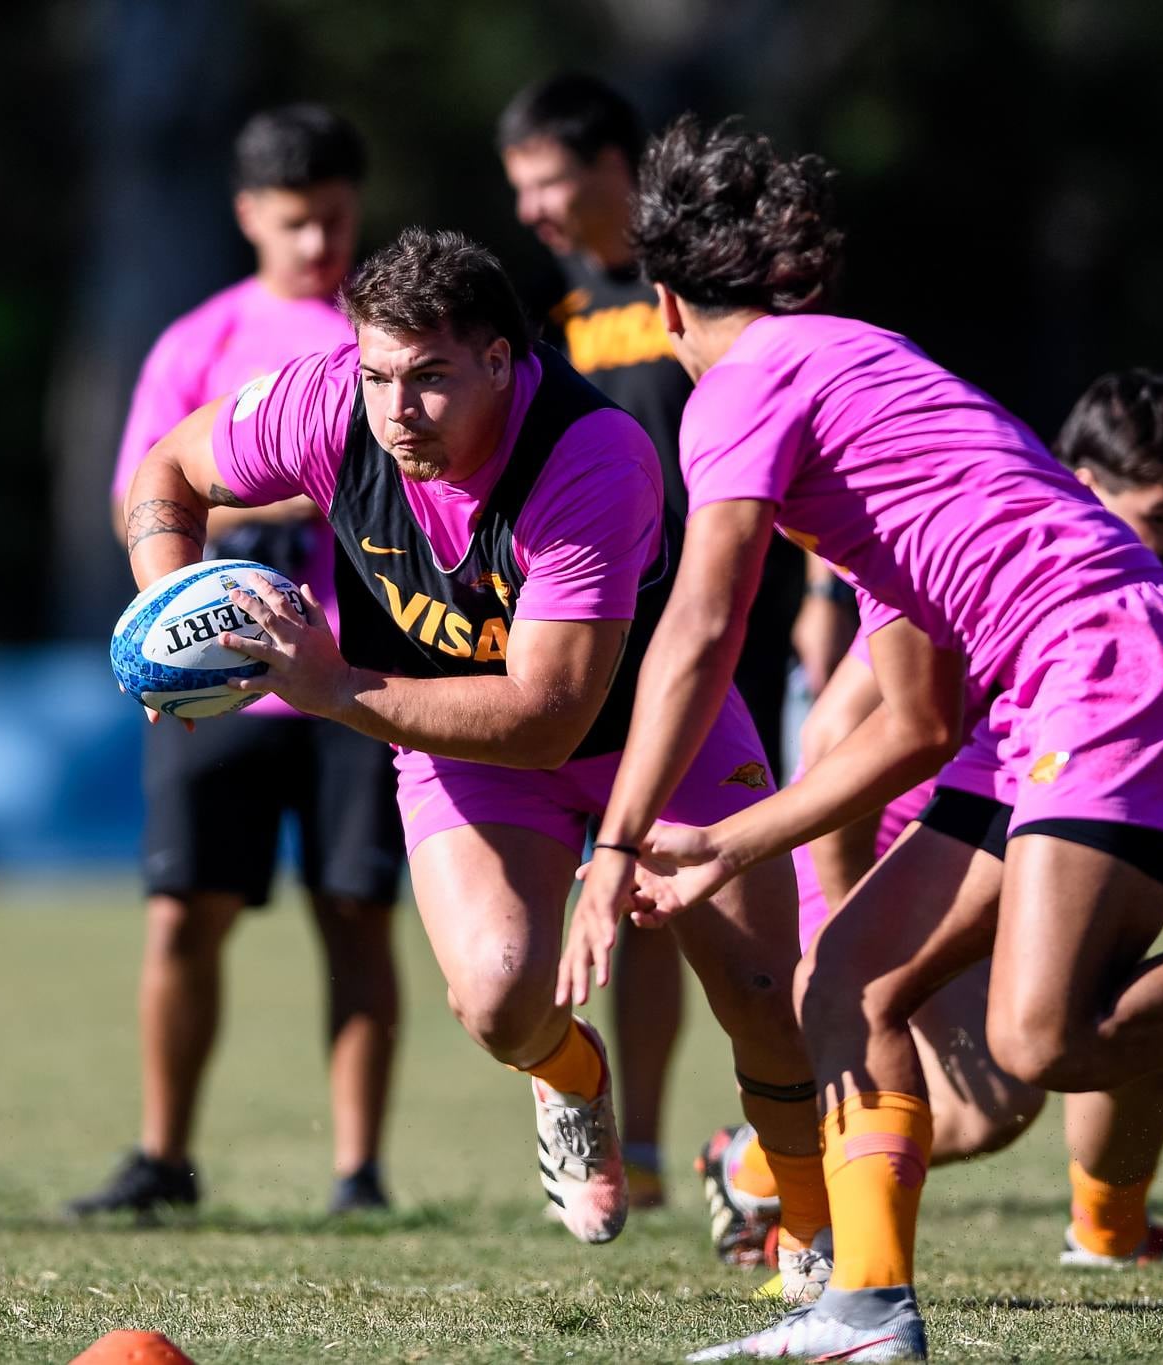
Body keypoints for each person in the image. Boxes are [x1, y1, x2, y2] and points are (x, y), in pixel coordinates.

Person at [563, 118, 1163, 1361]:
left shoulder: (741, 389)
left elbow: (697, 626)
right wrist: (728, 846)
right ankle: (867, 1312)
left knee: (1042, 1041)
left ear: (669, 303)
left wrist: (617, 843)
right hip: (1072, 684)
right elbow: (911, 724)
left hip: (1100, 666)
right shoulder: (866, 391)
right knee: (846, 984)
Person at [121, 227, 836, 1294]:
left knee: (759, 988)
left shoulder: (588, 455)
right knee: (500, 999)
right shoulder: (322, 404)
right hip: (462, 741)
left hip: (650, 730)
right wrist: (171, 608)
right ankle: (569, 1075)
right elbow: (167, 471)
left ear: (504, 359)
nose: (396, 408)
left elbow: (547, 713)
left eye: (431, 379)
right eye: (377, 376)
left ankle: (810, 1235)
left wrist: (330, 688)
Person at [702, 371, 1163, 1279]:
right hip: (870, 850)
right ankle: (755, 1166)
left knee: (1131, 1007)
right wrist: (855, 936)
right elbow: (837, 731)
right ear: (1083, 488)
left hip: (985, 845)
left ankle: (1109, 1237)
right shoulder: (1014, 569)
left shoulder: (1112, 603)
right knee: (984, 1107)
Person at [497, 72, 846, 1209]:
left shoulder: (697, 287)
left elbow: (806, 444)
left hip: (721, 624)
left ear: (613, 166)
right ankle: (636, 1152)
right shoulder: (543, 316)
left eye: (550, 184)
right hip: (601, 633)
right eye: (521, 190)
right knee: (624, 888)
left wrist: (818, 597)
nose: (536, 211)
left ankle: (743, 1141)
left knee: (698, 898)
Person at [70, 105, 406, 1221]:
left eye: (337, 218)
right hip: (223, 689)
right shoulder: (197, 342)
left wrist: (275, 483)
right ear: (249, 214)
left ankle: (358, 1174)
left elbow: (425, 472)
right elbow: (147, 495)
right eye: (297, 221)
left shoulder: (390, 335)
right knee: (182, 914)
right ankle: (163, 1158)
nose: (320, 245)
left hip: (362, 673)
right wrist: (163, 642)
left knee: (355, 911)